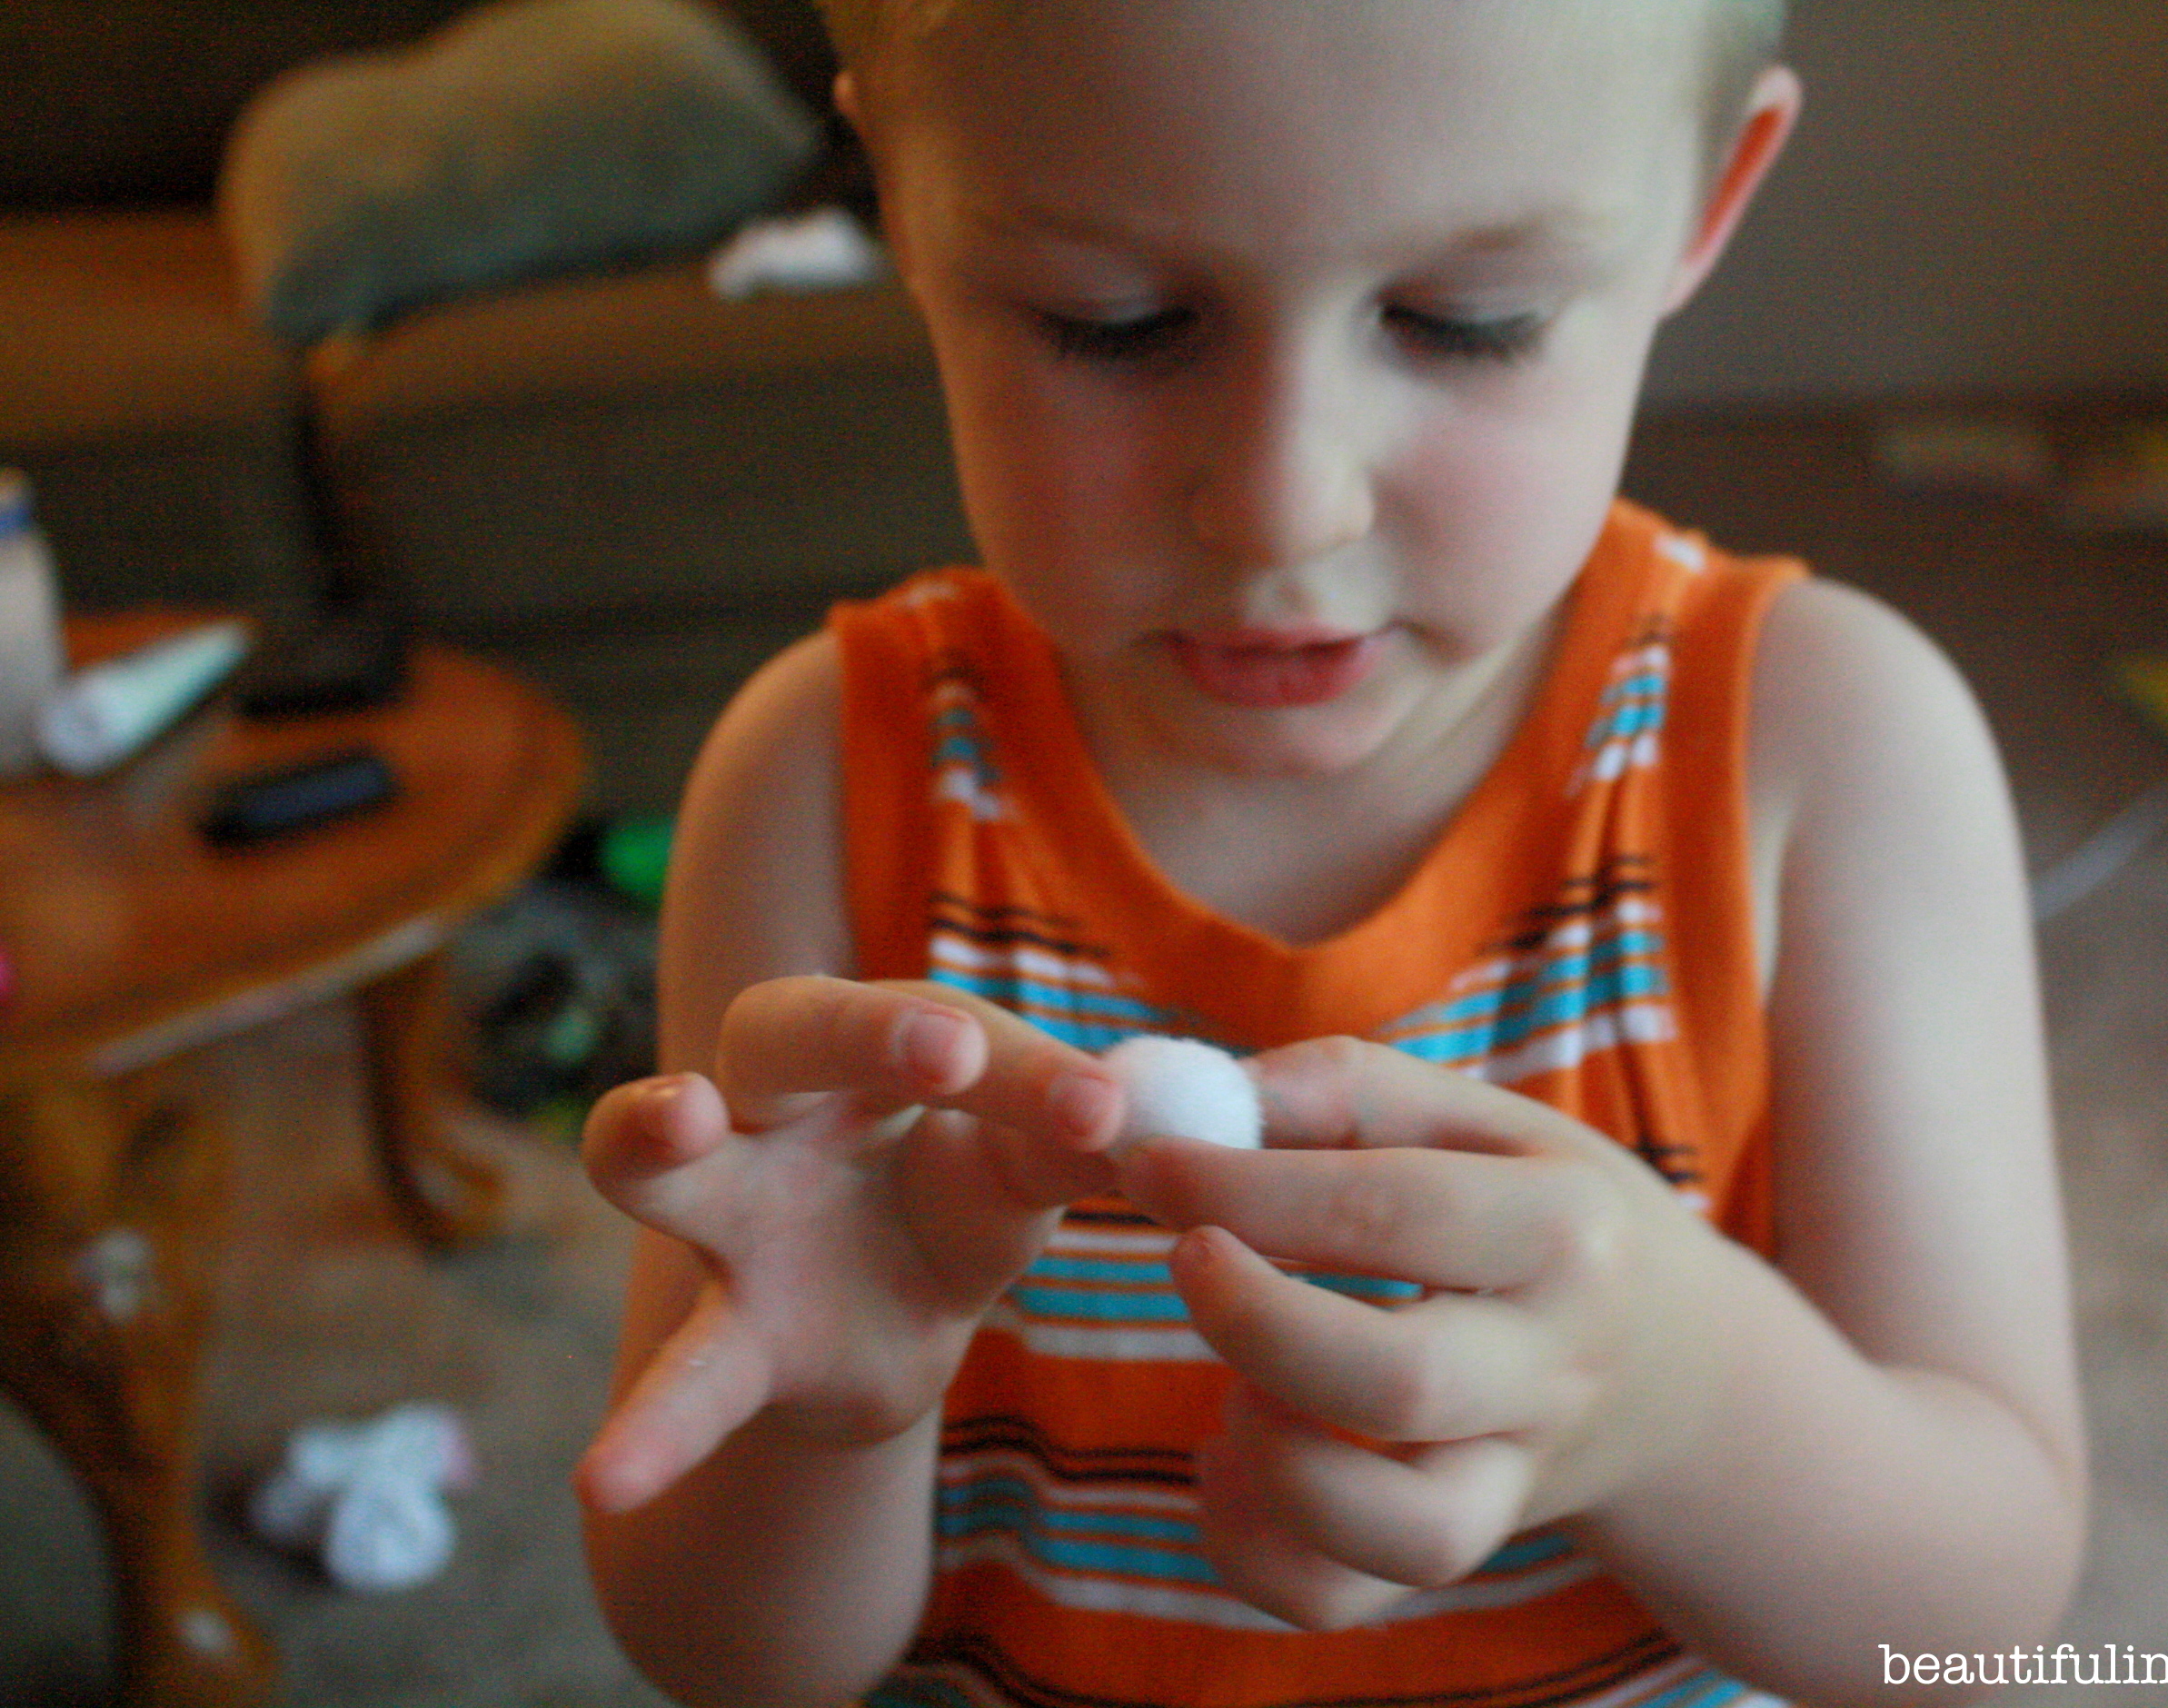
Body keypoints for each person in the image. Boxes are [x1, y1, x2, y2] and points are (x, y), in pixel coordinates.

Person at [576, 2, 2087, 1703]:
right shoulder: (820, 786)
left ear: (1705, 202)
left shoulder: (1826, 753)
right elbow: (727, 1663)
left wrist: (1683, 1396)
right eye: (1115, 325)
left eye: (1469, 320)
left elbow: (1961, 1630)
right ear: (907, 211)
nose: (1289, 505)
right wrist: (827, 1422)